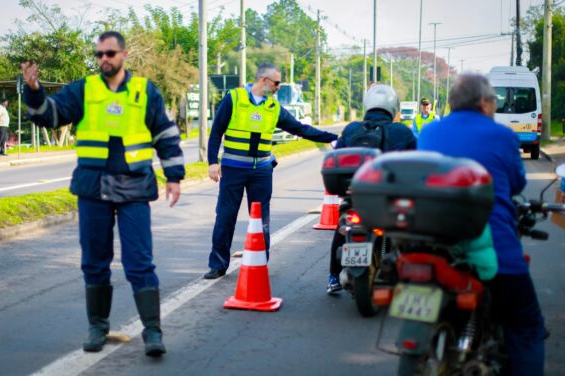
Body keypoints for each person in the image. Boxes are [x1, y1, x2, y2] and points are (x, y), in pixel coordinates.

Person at [21, 31, 184, 357]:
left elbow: (165, 134)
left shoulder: (144, 91)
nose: (104, 59)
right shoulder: (84, 89)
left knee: (139, 262)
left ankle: (152, 331)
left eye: (109, 53)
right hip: (93, 187)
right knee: (94, 262)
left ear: (123, 55)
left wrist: (174, 175)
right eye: (99, 54)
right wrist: (34, 90)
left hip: (134, 186)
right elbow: (50, 116)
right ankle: (98, 327)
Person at [418, 73, 544, 375]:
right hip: (494, 248)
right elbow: (516, 184)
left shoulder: (429, 132)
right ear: (485, 103)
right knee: (527, 326)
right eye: (493, 102)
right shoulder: (501, 135)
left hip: (431, 243)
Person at [203, 63, 338, 279]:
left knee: (261, 220)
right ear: (264, 80)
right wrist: (212, 161)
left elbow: (300, 129)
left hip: (261, 172)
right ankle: (218, 265)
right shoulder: (234, 98)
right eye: (276, 83)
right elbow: (216, 131)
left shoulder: (273, 108)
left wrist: (333, 138)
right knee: (225, 216)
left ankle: (259, 262)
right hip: (233, 170)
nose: (278, 87)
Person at [326, 84, 416, 294]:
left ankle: (332, 277)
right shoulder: (401, 131)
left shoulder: (351, 129)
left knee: (343, 228)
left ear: (367, 105)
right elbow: (415, 158)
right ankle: (407, 276)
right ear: (393, 107)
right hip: (390, 198)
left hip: (356, 196)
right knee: (408, 229)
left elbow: (338, 152)